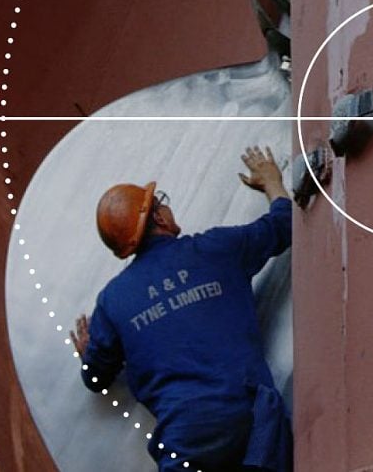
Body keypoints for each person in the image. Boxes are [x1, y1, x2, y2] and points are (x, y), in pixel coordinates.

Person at [77, 146, 300, 472]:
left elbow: (96, 378)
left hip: (184, 439)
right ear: (158, 217)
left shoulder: (112, 301)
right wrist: (271, 182)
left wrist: (88, 356)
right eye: (161, 202)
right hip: (249, 417)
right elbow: (285, 223)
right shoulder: (216, 250)